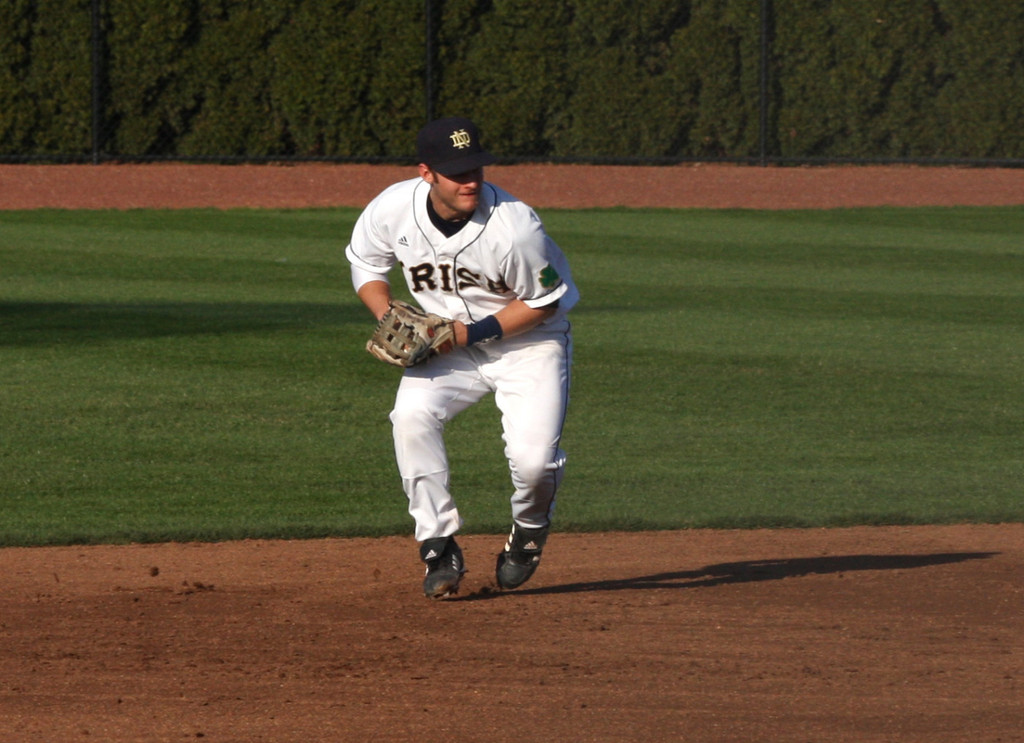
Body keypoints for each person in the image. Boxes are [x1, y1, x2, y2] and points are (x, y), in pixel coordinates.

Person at [345, 116, 579, 598]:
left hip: (528, 344)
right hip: (445, 346)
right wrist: (393, 316)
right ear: (426, 172)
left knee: (533, 464)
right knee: (410, 417)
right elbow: (366, 262)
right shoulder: (394, 207)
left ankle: (529, 531)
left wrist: (468, 332)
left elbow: (543, 302)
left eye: (476, 168)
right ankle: (437, 543)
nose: (471, 179)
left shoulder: (515, 229)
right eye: (458, 172)